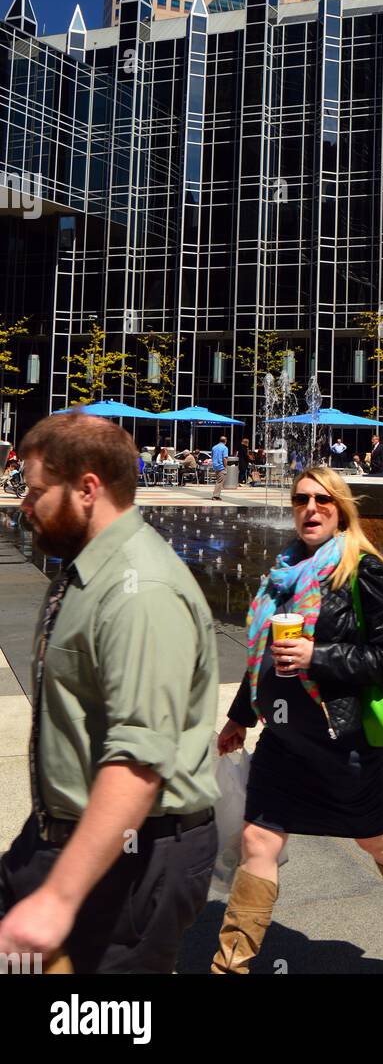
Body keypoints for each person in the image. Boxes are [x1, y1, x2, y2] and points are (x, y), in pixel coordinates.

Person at [0, 413, 219, 973]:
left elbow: (140, 759)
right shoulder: (89, 569)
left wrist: (58, 898)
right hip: (67, 837)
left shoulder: (139, 592)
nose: (25, 504)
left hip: (135, 860)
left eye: (37, 490)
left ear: (88, 488)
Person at [211, 466, 383, 976]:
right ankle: (230, 965)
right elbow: (264, 659)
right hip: (283, 738)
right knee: (258, 840)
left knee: (378, 838)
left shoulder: (364, 570)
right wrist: (241, 717)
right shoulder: (284, 571)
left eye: (322, 500)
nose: (310, 509)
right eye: (300, 500)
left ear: (340, 510)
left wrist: (319, 656)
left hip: (343, 740)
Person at [211, 435, 229, 500]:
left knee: (218, 481)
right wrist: (225, 467)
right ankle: (215, 496)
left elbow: (212, 457)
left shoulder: (214, 447)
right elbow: (225, 458)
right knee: (219, 482)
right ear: (225, 441)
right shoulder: (225, 448)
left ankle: (217, 495)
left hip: (215, 466)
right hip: (221, 466)